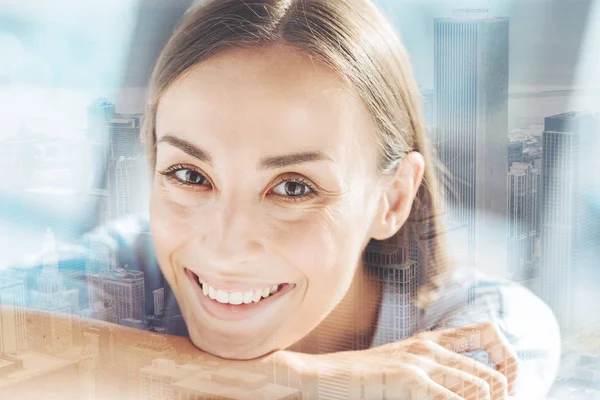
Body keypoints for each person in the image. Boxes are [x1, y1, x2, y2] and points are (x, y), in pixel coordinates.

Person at [2, 0, 560, 399]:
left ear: (391, 199)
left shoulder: (480, 329)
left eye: (293, 188)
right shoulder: (126, 273)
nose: (225, 246)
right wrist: (300, 382)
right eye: (190, 175)